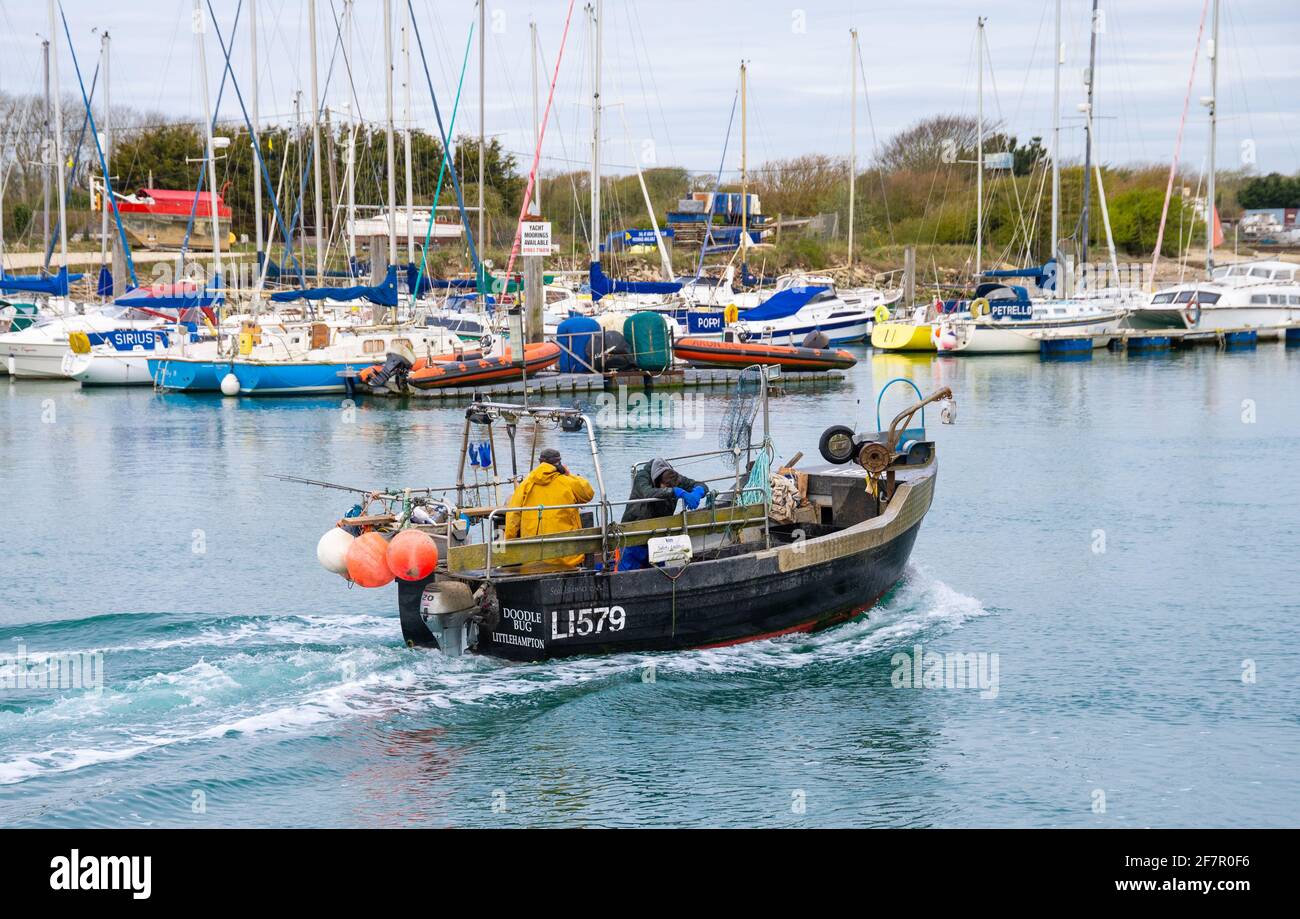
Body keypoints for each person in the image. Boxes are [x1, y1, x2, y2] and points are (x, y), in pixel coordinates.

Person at [503, 448, 595, 569]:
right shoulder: (567, 481)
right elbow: (588, 493)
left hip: (533, 555)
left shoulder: (526, 484)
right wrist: (569, 474)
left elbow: (512, 517)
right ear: (559, 463)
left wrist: (510, 543)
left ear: (540, 462)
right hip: (566, 556)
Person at [618, 458, 709, 571]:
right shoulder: (642, 477)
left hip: (659, 534)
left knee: (659, 571)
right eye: (666, 487)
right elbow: (647, 492)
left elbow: (701, 485)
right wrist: (674, 492)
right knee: (628, 570)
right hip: (635, 532)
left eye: (672, 487)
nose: (669, 489)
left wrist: (698, 491)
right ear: (658, 482)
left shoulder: (675, 478)